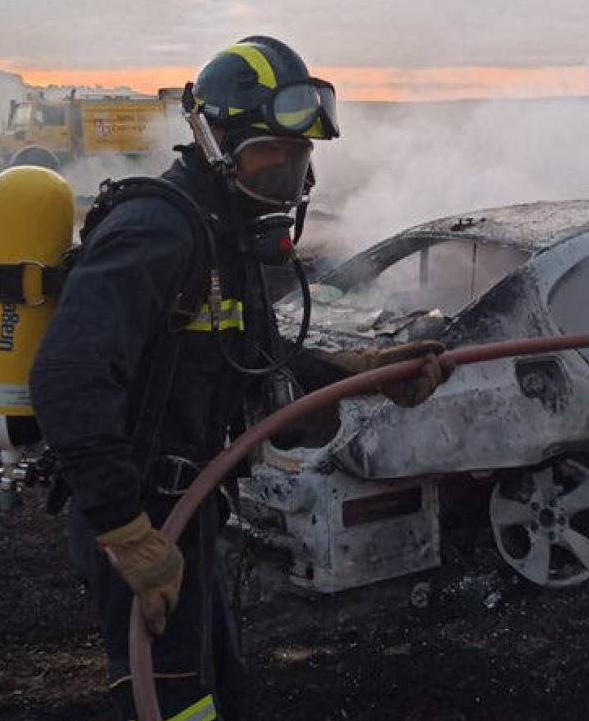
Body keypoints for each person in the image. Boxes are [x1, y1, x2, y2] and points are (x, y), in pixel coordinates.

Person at [30, 36, 448, 721]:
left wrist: (365, 375)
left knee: (218, 684)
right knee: (173, 700)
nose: (288, 178)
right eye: (270, 155)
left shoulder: (223, 229)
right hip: (141, 514)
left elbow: (254, 357)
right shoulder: (159, 229)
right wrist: (124, 530)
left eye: (299, 159)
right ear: (213, 140)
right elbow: (68, 377)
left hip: (188, 510)